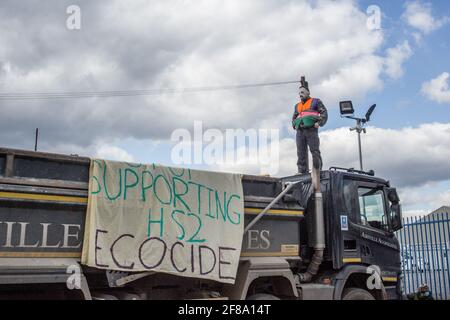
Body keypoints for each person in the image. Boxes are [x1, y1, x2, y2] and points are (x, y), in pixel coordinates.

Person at [292, 77, 328, 174]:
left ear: (308, 92)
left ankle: (317, 168)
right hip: (300, 130)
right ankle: (302, 171)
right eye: (299, 93)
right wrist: (294, 125)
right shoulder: (297, 106)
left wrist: (319, 122)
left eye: (302, 92)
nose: (300, 95)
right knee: (301, 152)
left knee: (314, 150)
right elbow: (294, 117)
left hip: (311, 129)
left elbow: (324, 112)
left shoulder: (316, 101)